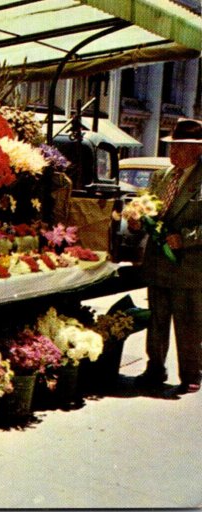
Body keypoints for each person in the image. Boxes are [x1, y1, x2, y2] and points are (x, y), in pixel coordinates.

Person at [134, 118, 202, 394]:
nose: (173, 153)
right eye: (172, 146)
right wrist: (136, 218)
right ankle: (154, 368)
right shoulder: (161, 176)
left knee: (188, 324)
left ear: (197, 150)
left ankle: (191, 373)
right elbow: (144, 205)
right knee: (156, 320)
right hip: (158, 263)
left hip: (189, 267)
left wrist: (184, 239)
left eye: (180, 147)